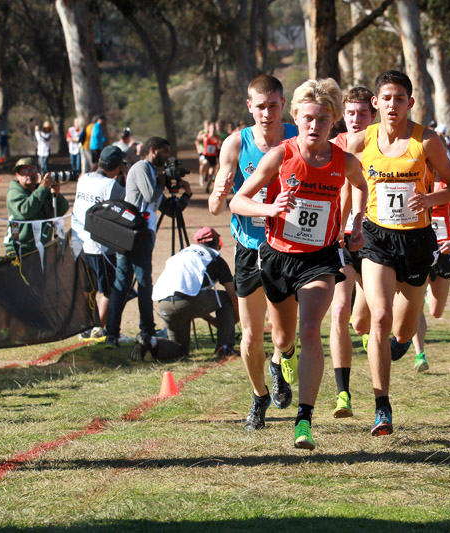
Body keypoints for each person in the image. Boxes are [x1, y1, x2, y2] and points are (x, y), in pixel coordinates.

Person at [230, 78, 368, 450]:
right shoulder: (280, 155)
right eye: (307, 117)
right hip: (277, 256)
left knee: (311, 331)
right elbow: (237, 202)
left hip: (320, 259)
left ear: (333, 121)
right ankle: (282, 359)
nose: (314, 125)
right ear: (296, 116)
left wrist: (356, 223)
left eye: (323, 119)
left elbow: (361, 185)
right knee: (282, 337)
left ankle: (303, 419)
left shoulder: (344, 161)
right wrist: (269, 208)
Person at [347, 70, 450, 436]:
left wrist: (431, 198)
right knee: (378, 317)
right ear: (374, 103)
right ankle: (382, 407)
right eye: (386, 98)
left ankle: (400, 341)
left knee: (404, 327)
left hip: (416, 239)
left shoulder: (427, 141)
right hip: (376, 236)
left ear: (410, 103)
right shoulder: (360, 141)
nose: (393, 105)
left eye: (400, 98)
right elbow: (338, 173)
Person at [208, 74, 298, 431]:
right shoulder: (235, 144)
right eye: (260, 106)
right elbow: (218, 207)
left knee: (284, 335)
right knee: (250, 334)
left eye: (273, 106)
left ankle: (280, 362)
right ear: (249, 107)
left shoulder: (297, 137)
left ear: (283, 104)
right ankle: (259, 396)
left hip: (291, 246)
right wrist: (218, 193)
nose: (267, 113)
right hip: (250, 247)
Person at [104, 137, 181, 359]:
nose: (167, 157)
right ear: (153, 150)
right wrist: (162, 180)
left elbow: (162, 204)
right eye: (164, 152)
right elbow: (149, 196)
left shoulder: (148, 170)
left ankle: (117, 333)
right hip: (133, 233)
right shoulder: (141, 167)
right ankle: (142, 330)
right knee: (138, 282)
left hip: (138, 232)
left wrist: (182, 194)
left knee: (128, 282)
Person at [329, 86, 375, 419]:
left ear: (372, 115)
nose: (356, 119)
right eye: (351, 113)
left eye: (362, 113)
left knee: (362, 321)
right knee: (340, 309)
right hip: (340, 238)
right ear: (342, 116)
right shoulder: (331, 148)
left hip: (375, 238)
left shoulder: (385, 145)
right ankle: (343, 393)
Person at [410, 177, 450, 371]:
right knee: (416, 306)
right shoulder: (415, 179)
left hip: (446, 249)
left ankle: (427, 293)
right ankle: (420, 355)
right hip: (420, 248)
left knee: (436, 312)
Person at [152, 226, 239, 358]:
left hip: (164, 304)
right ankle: (225, 347)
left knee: (180, 351)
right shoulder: (214, 258)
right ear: (216, 242)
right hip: (188, 301)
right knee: (226, 298)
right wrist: (236, 315)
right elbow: (231, 291)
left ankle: (151, 343)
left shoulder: (181, 253)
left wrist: (208, 317)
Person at [71, 146, 127, 338]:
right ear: (117, 167)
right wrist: (125, 177)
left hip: (80, 241)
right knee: (108, 290)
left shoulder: (84, 178)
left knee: (88, 289)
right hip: (101, 246)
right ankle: (99, 328)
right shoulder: (112, 186)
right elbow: (128, 203)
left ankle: (84, 327)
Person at [3, 157, 69, 255]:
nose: (29, 173)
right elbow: (26, 210)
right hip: (19, 249)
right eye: (25, 170)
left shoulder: (41, 189)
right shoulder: (14, 192)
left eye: (33, 170)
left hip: (41, 248)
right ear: (17, 175)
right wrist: (42, 188)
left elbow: (61, 210)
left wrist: (57, 195)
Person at [198, 121, 220, 192]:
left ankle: (209, 184)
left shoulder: (217, 137)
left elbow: (220, 145)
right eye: (212, 128)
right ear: (209, 129)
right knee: (205, 163)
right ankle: (204, 176)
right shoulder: (205, 135)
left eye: (214, 128)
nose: (213, 129)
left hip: (213, 157)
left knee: (212, 174)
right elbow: (197, 140)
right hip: (205, 155)